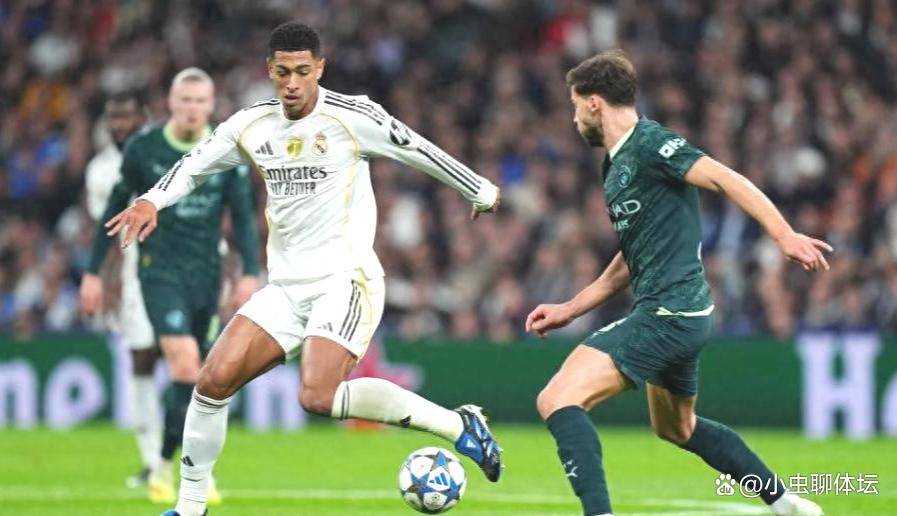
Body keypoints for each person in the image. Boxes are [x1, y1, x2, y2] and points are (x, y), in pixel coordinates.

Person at [105, 22, 504, 516]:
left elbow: (417, 148)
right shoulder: (252, 124)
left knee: (317, 395)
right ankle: (190, 509)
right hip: (286, 287)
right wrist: (151, 200)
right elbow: (195, 163)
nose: (291, 83)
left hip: (346, 279)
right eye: (282, 72)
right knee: (211, 383)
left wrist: (478, 190)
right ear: (269, 71)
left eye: (301, 71)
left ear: (320, 69)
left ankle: (457, 426)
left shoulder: (353, 116)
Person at [525, 50, 828, 516]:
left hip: (669, 312)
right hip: (682, 313)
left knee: (557, 398)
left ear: (594, 103)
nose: (574, 118)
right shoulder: (615, 165)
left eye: (575, 105)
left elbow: (725, 179)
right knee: (676, 428)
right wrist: (571, 308)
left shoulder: (651, 144)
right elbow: (631, 257)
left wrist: (783, 234)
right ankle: (785, 503)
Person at [85, 68, 261, 504]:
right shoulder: (144, 148)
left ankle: (167, 463)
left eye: (200, 101)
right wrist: (92, 272)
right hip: (159, 269)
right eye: (185, 100)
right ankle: (181, 470)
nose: (192, 109)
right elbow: (115, 205)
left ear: (211, 104)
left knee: (203, 379)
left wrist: (249, 273)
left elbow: (242, 217)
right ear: (170, 102)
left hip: (208, 273)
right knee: (184, 366)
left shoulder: (226, 148)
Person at [80, 91, 159, 489]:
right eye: (113, 118)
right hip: (135, 273)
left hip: (185, 267)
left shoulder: (164, 153)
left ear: (142, 117)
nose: (119, 125)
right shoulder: (100, 171)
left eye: (127, 116)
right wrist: (104, 279)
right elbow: (105, 230)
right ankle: (152, 460)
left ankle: (193, 458)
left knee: (189, 361)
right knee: (141, 360)